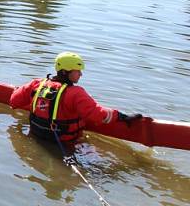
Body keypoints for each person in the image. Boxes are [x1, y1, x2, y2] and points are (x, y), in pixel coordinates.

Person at [9, 51, 142, 144]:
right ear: (65, 72)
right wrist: (122, 116)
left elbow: (13, 101)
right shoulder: (76, 93)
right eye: (77, 71)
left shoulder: (36, 84)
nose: (81, 74)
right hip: (65, 142)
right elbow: (97, 115)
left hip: (36, 135)